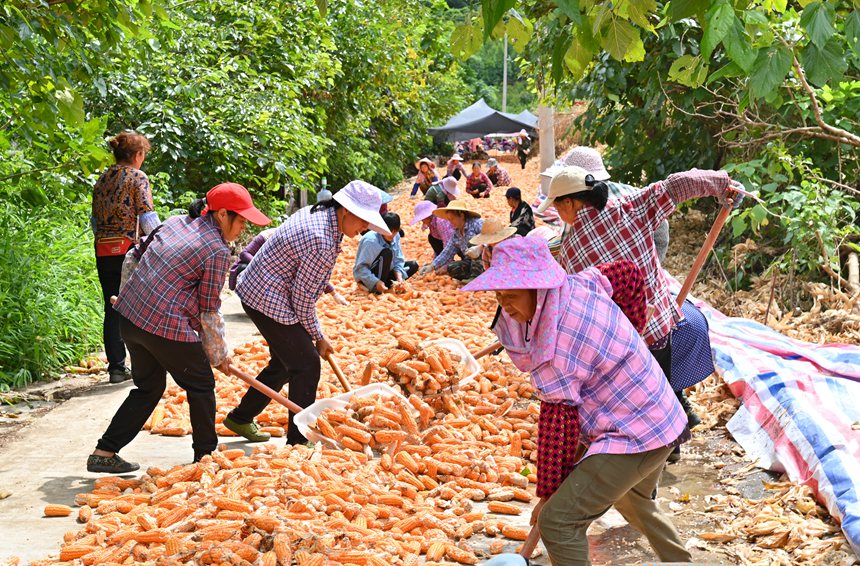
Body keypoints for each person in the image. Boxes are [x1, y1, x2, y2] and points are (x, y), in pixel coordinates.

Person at [461, 237, 693, 566]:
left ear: (537, 290)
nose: (504, 304)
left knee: (558, 522)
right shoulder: (577, 284)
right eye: (498, 295)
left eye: (511, 295)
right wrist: (625, 335)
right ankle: (682, 561)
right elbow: (627, 274)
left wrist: (548, 495)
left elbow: (558, 425)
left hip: (636, 432)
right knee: (631, 500)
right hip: (659, 412)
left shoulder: (554, 347)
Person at [538, 166, 743, 447]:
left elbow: (575, 306)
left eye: (558, 208)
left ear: (570, 203)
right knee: (661, 394)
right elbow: (677, 183)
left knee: (631, 411)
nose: (559, 216)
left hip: (616, 346)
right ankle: (669, 445)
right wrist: (724, 185)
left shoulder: (572, 247)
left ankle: (637, 456)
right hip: (656, 331)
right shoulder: (629, 206)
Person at [87, 183, 271, 473]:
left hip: (130, 318)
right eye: (242, 220)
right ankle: (206, 459)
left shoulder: (174, 223)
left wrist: (125, 293)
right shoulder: (217, 250)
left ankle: (104, 452)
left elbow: (134, 256)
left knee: (149, 387)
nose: (242, 227)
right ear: (223, 215)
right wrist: (218, 353)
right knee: (201, 385)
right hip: (164, 324)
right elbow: (209, 309)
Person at [226, 181, 389, 445]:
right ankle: (298, 439)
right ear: (345, 210)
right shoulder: (321, 240)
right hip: (267, 296)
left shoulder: (321, 214)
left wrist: (313, 333)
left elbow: (304, 286)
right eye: (363, 220)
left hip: (264, 286)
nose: (364, 228)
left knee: (284, 362)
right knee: (307, 364)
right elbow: (301, 300)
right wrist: (318, 336)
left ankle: (241, 417)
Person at [91, 131, 160, 384]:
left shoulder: (102, 179)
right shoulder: (137, 176)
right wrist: (161, 241)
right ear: (138, 155)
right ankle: (146, 366)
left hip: (103, 250)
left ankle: (117, 368)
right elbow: (146, 215)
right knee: (139, 306)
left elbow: (95, 222)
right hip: (128, 250)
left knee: (113, 308)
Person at [563, 146, 670, 262]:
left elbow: (568, 252)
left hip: (607, 275)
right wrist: (654, 262)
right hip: (639, 271)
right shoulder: (633, 193)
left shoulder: (578, 208)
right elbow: (662, 227)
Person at [228, 229, 349, 306]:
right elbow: (244, 254)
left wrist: (334, 294)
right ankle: (253, 302)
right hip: (247, 270)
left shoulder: (297, 245)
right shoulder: (267, 235)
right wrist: (264, 263)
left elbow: (311, 273)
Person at [419, 200, 484, 281]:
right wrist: (432, 266)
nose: (450, 222)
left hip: (485, 260)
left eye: (452, 219)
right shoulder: (456, 234)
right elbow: (447, 252)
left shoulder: (476, 224)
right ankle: (474, 275)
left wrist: (480, 247)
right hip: (470, 261)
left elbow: (493, 238)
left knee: (473, 243)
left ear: (462, 215)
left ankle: (475, 278)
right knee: (452, 268)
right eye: (449, 219)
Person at [353, 213, 419, 293]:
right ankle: (377, 288)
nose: (391, 234)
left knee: (414, 265)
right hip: (369, 276)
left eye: (394, 231)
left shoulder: (396, 236)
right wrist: (376, 282)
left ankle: (387, 286)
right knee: (387, 253)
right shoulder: (371, 241)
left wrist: (399, 279)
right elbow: (360, 268)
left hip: (386, 270)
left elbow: (398, 260)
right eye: (389, 231)